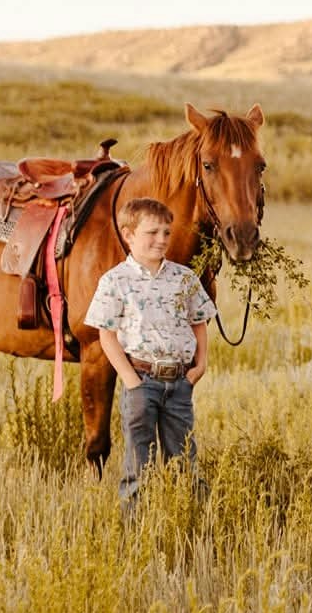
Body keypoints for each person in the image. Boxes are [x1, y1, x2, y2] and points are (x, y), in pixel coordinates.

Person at [87, 197, 216, 509]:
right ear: (129, 235)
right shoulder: (115, 281)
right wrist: (131, 380)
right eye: (152, 233)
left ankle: (191, 520)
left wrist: (200, 365)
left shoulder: (183, 277)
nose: (161, 240)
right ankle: (135, 528)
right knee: (138, 462)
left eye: (166, 233)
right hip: (141, 380)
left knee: (184, 457)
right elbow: (107, 335)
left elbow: (199, 321)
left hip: (179, 381)